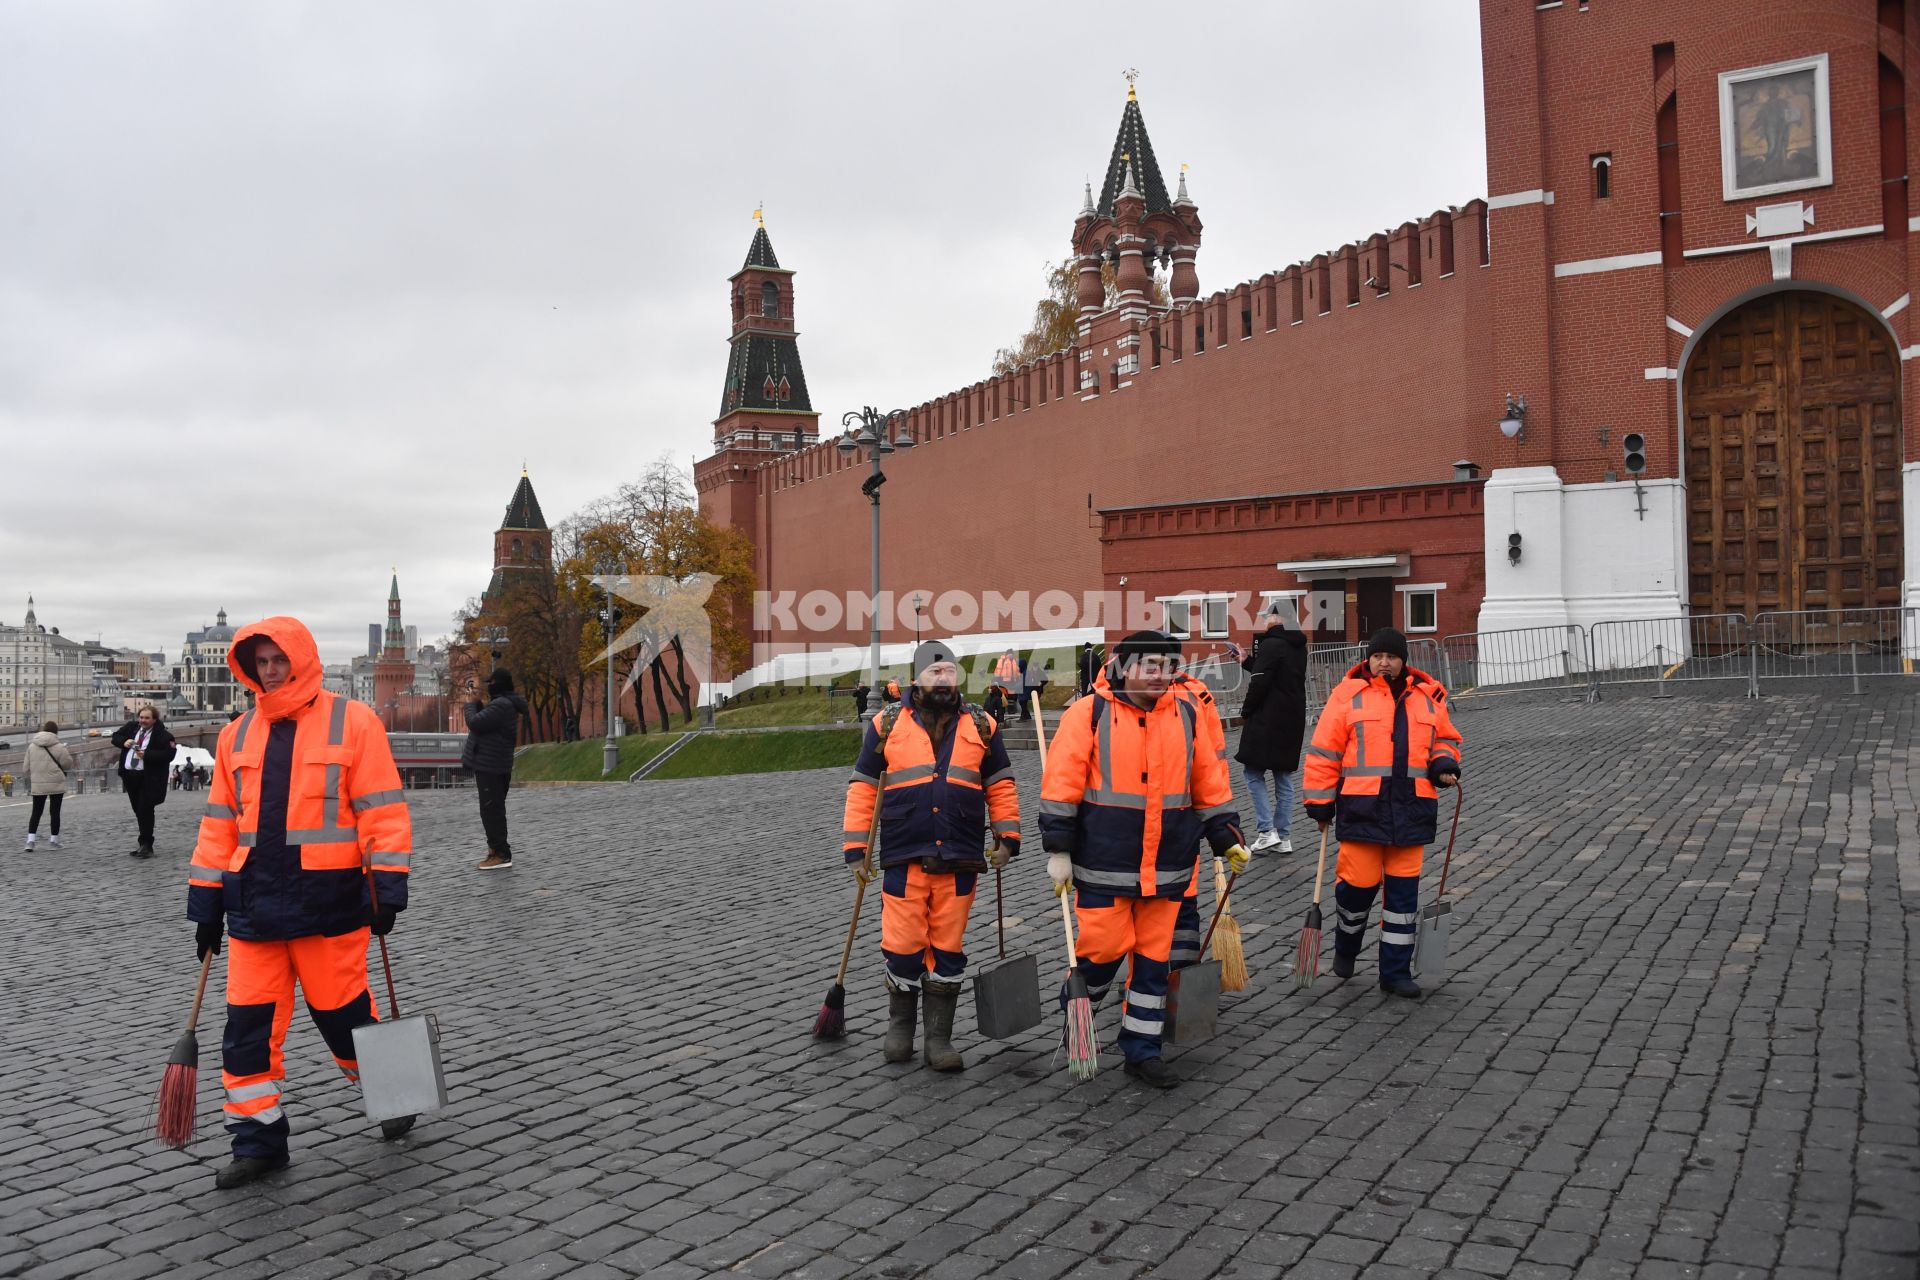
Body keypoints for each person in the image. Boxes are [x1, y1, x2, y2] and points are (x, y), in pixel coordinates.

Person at [186, 616, 416, 1188]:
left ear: (301, 659)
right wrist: (206, 904)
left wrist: (386, 887)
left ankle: (393, 1096)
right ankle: (258, 1142)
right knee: (246, 1033)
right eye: (260, 662)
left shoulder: (354, 721)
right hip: (254, 911)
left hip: (329, 905)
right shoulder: (235, 734)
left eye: (277, 660)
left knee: (344, 1021)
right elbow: (218, 827)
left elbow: (382, 811)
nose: (269, 670)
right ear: (248, 668)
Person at [1039, 630, 1249, 1087]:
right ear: (1123, 666)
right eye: (1149, 665)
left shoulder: (1187, 714)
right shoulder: (1087, 714)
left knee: (1154, 961)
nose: (1159, 675)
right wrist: (1058, 849)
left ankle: (1143, 1049)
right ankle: (1079, 1012)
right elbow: (1061, 786)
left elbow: (1208, 784)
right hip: (1103, 862)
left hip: (1170, 863)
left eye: (1167, 666)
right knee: (1103, 947)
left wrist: (1226, 836)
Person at [842, 640, 1020, 1071]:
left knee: (947, 947)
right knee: (902, 945)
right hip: (904, 854)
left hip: (960, 858)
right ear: (916, 678)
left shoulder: (981, 725)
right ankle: (901, 1027)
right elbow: (864, 787)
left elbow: (1000, 785)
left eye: (949, 672)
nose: (943, 679)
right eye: (933, 672)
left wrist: (1007, 836)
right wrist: (856, 848)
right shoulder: (887, 724)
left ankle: (938, 1038)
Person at [1302, 627, 1462, 999]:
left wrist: (1442, 762)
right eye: (1378, 657)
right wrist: (1319, 800)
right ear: (1368, 659)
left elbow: (1447, 738)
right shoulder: (1347, 696)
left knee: (1402, 901)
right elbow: (1325, 751)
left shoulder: (1428, 698)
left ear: (1403, 660)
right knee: (1356, 891)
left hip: (1412, 811)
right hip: (1363, 810)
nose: (1384, 663)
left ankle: (1395, 972)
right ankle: (1347, 945)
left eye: (1391, 657)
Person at [1234, 602, 1310, 853]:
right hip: (1292, 717)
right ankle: (1284, 835)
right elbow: (1275, 672)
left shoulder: (1271, 643)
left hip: (1268, 718)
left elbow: (1260, 681)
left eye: (1267, 616)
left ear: (1277, 618)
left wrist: (1245, 711)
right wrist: (1246, 661)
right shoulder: (1297, 644)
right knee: (1283, 776)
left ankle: (1266, 830)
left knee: (1252, 772)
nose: (1264, 620)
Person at [463, 667, 527, 871]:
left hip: (492, 767)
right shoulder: (502, 705)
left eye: (491, 683)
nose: (488, 687)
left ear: (499, 685)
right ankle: (494, 850)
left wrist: (471, 704)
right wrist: (479, 703)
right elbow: (486, 721)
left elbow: (474, 722)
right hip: (492, 765)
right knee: (490, 810)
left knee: (492, 811)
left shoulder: (502, 705)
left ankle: (501, 853)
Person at [111, 704, 176, 858]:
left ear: (154, 720)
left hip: (149, 778)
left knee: (145, 809)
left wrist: (147, 755)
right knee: (138, 810)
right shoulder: (131, 728)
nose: (143, 720)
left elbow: (169, 755)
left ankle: (146, 844)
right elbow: (115, 737)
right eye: (141, 717)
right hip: (130, 776)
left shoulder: (164, 735)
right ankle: (144, 843)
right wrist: (124, 742)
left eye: (147, 718)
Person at [24, 720, 73, 851]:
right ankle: (54, 841)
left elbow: (25, 768)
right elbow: (68, 764)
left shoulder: (32, 746)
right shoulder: (60, 747)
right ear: (55, 732)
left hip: (38, 784)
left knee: (36, 812)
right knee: (55, 812)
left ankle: (30, 841)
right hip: (56, 782)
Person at [1020, 652, 1047, 721]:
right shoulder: (1030, 671)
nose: (1035, 668)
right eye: (1034, 666)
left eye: (1036, 666)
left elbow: (1045, 680)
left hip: (1037, 689)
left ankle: (1036, 716)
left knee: (1035, 703)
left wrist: (1040, 683)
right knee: (1026, 702)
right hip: (1031, 689)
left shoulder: (1039, 671)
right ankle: (1027, 715)